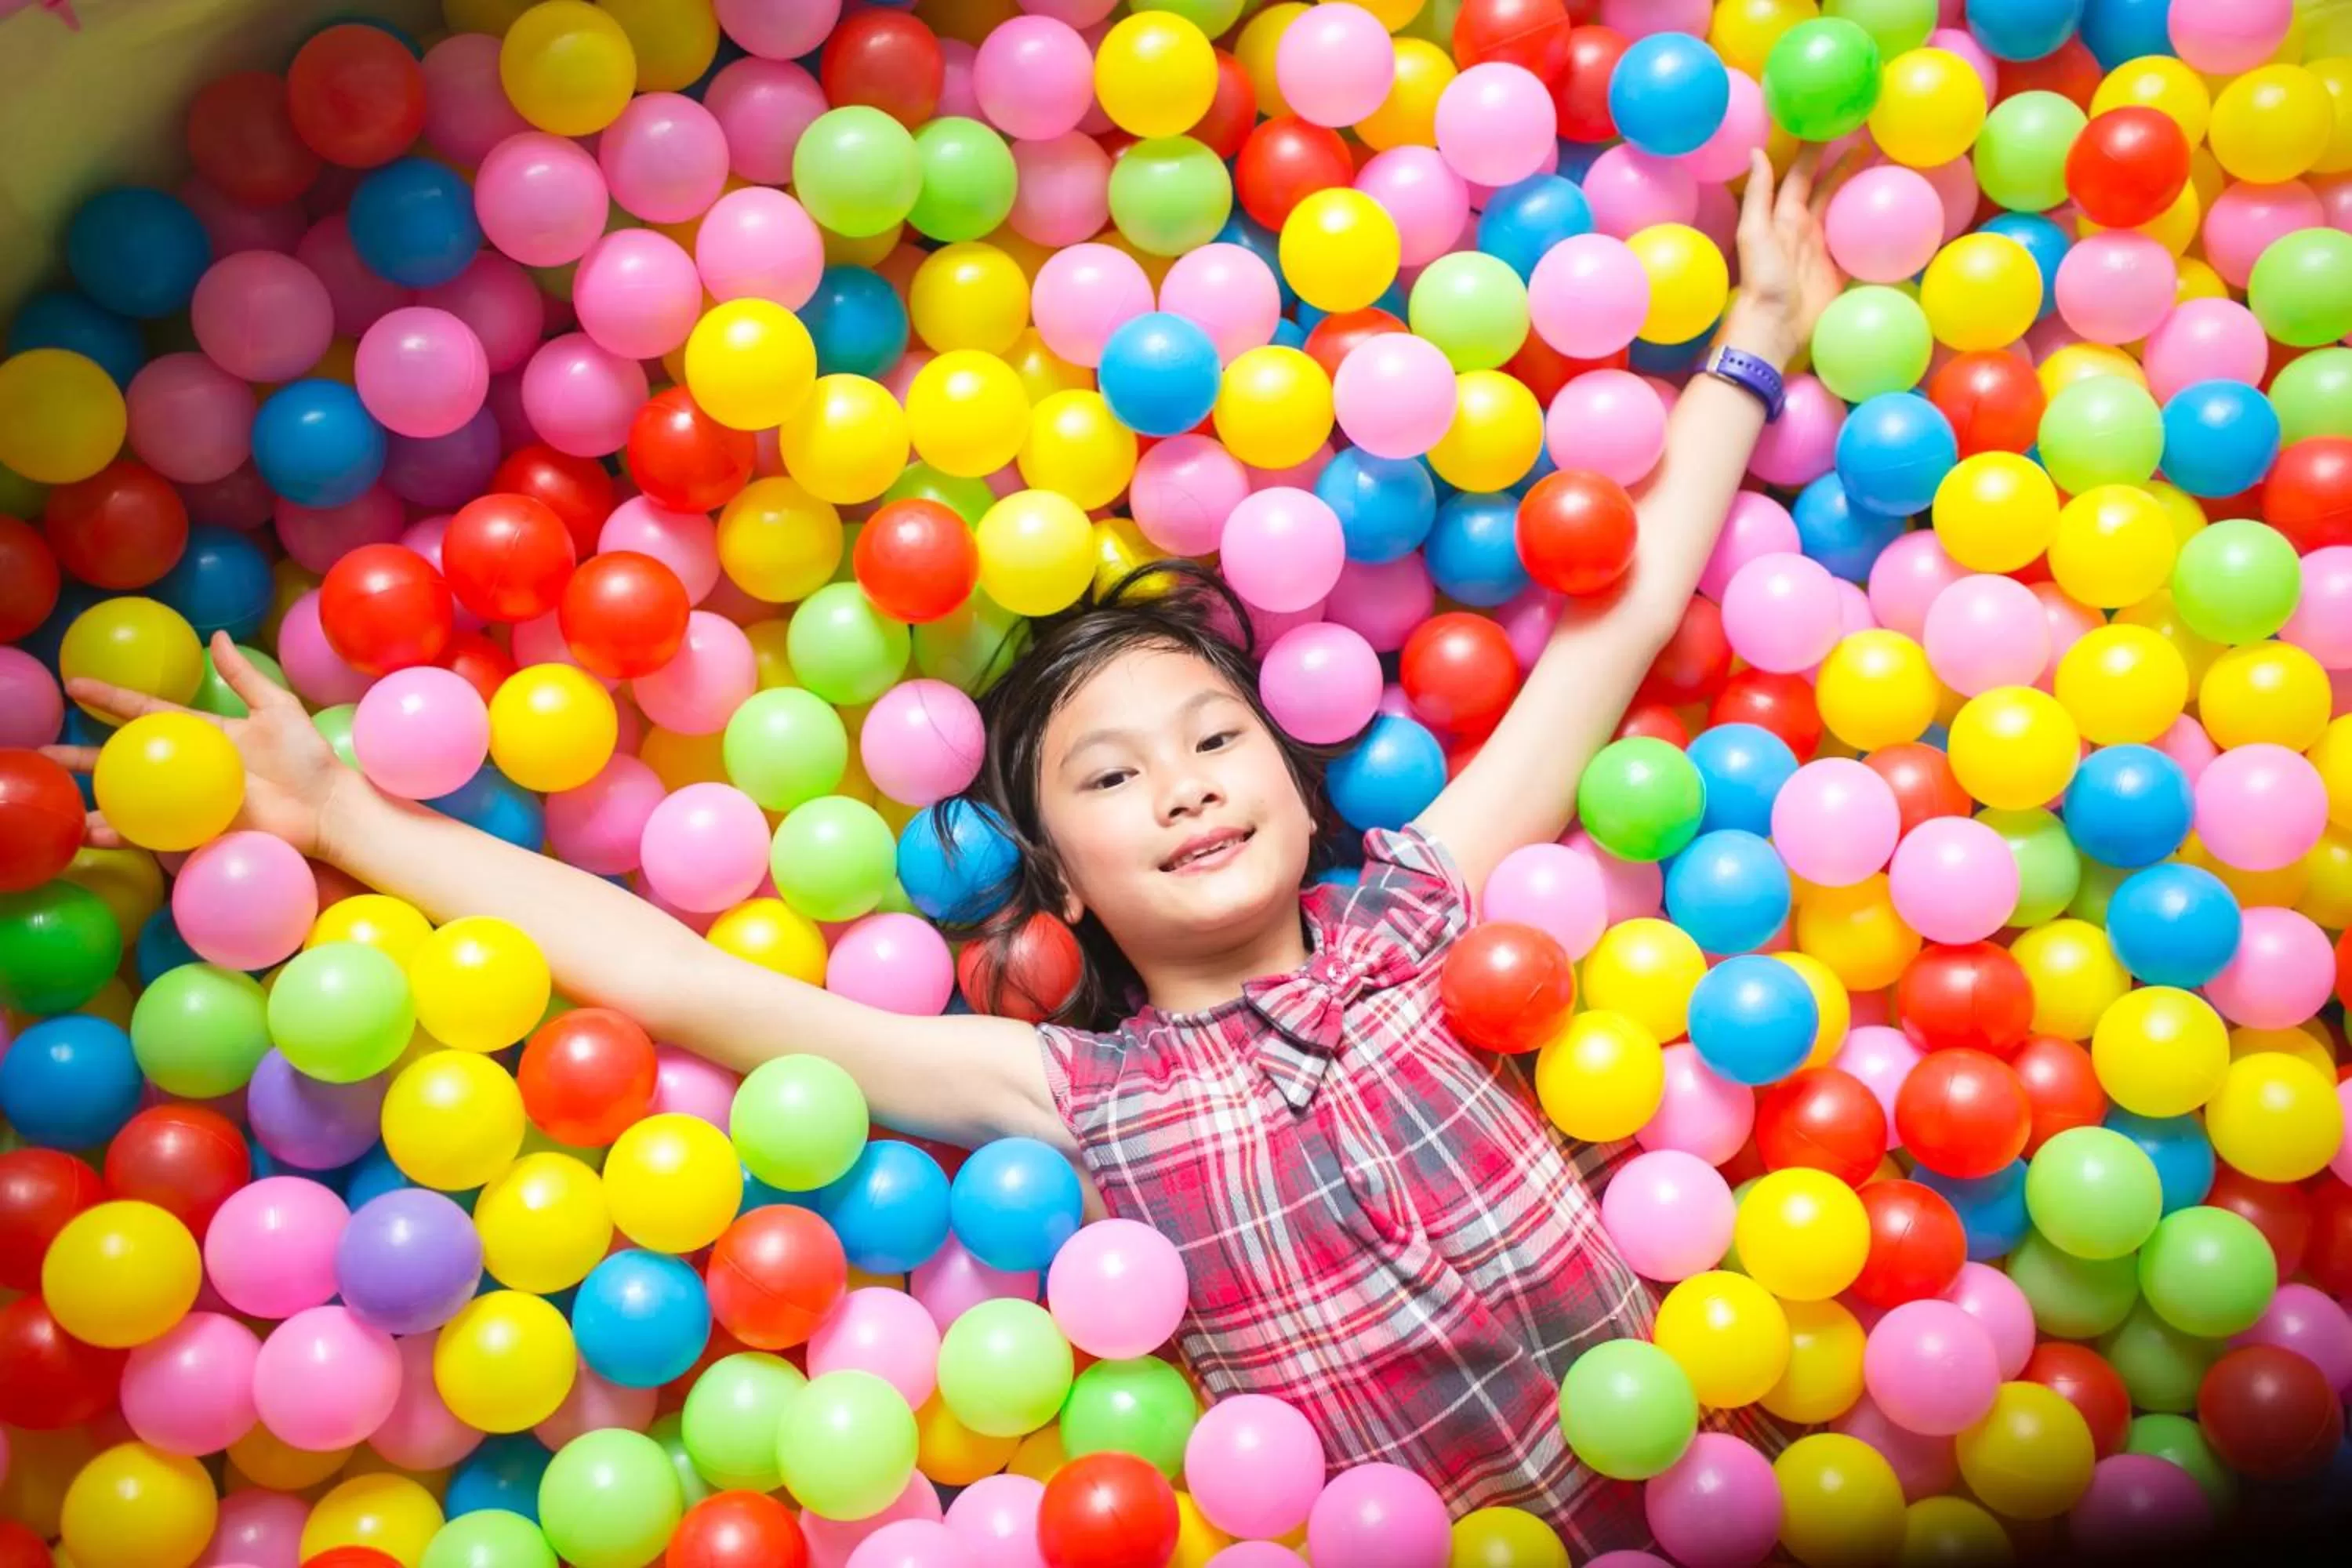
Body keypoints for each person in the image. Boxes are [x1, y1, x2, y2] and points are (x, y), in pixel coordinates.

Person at [53, 147, 1848, 1554]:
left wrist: (1751, 347)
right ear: (1059, 880)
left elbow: (1608, 637)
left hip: (1730, 1482)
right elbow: (683, 977)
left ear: (1304, 793)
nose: (1186, 787)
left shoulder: (1423, 911)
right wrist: (343, 816)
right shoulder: (1070, 1092)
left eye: (1217, 741)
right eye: (1114, 777)